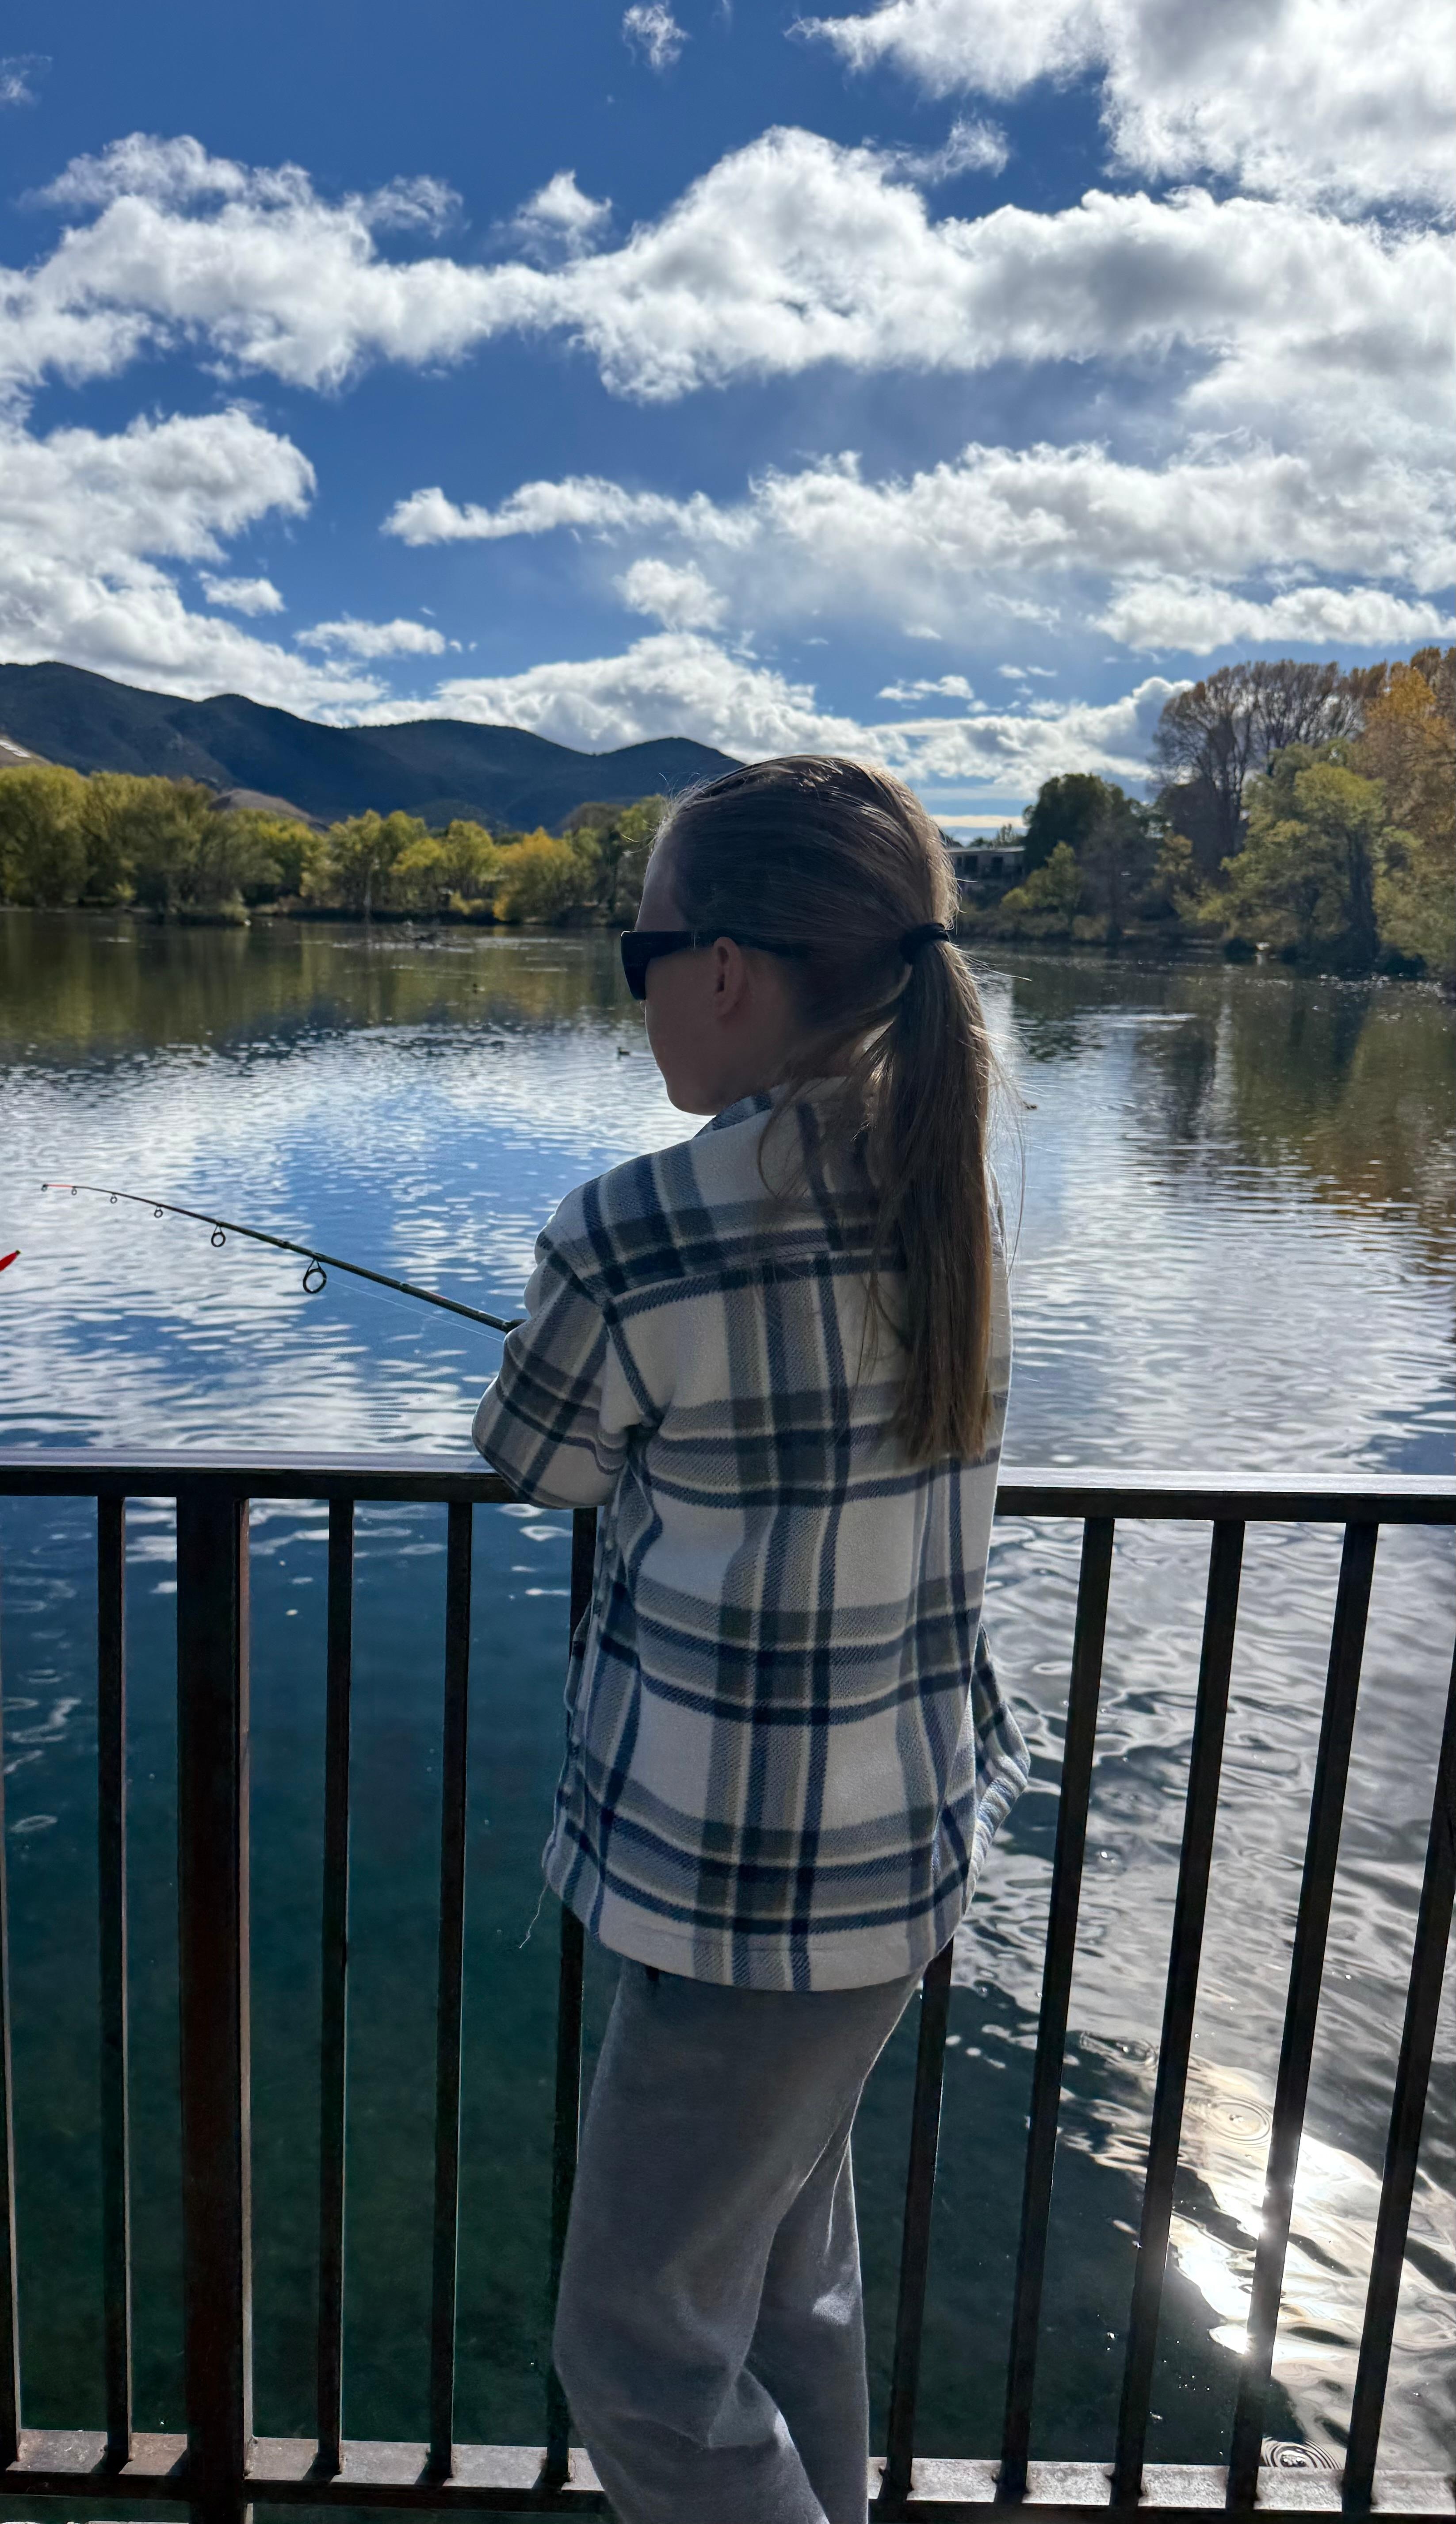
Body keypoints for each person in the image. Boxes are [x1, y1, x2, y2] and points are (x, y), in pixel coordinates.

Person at [472, 755, 1028, 2524]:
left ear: (722, 966)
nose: (632, 994)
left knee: (633, 2344)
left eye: (638, 951)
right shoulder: (947, 1200)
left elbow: (530, 1463)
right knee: (788, 2281)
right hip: (895, 1860)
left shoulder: (633, 1227)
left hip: (727, 1891)